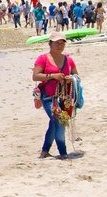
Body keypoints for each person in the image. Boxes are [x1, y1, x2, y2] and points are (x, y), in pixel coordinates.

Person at [32, 31, 78, 159]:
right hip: (48, 96)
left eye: (62, 43)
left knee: (54, 123)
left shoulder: (68, 59)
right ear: (50, 44)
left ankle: (44, 151)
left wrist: (71, 78)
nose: (60, 45)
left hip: (64, 97)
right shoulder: (43, 58)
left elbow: (76, 75)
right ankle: (63, 152)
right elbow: (35, 76)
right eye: (57, 43)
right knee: (59, 122)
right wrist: (52, 76)